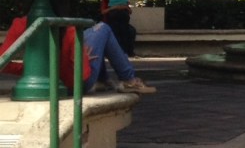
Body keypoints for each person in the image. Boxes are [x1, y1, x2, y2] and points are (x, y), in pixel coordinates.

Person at [1, 16, 156, 95]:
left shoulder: (20, 24)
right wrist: (82, 59)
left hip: (43, 81)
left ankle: (104, 80)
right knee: (103, 28)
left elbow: (3, 62)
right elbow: (83, 75)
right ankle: (128, 79)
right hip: (73, 85)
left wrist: (32, 70)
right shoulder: (66, 27)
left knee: (93, 32)